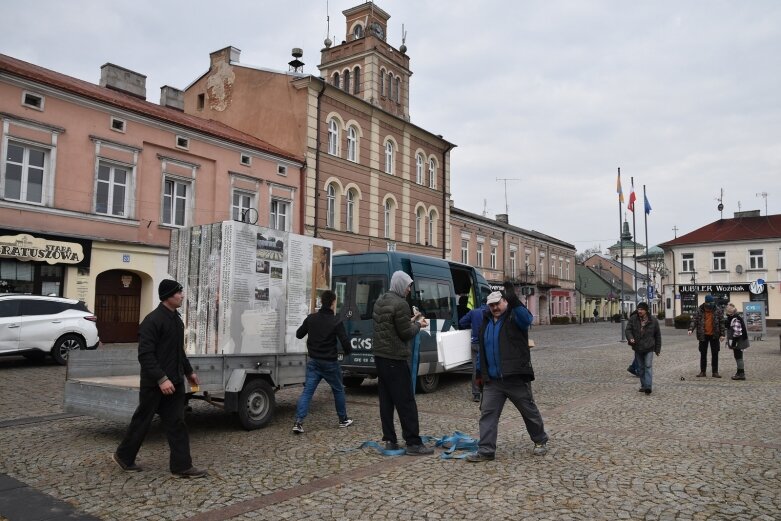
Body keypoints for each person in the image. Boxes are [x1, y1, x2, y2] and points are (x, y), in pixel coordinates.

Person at [113, 279, 207, 478]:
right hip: (154, 384)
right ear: (168, 296)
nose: (182, 296)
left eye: (181, 292)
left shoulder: (177, 320)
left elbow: (178, 352)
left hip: (174, 382)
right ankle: (124, 455)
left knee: (177, 422)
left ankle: (182, 466)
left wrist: (189, 372)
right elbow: (145, 355)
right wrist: (161, 379)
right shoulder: (152, 321)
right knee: (142, 422)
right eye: (179, 292)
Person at [466, 284, 549, 462]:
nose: (495, 307)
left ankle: (540, 440)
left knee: (529, 411)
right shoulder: (486, 321)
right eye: (491, 305)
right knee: (487, 415)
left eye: (498, 303)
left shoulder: (514, 317)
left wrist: (513, 299)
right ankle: (486, 450)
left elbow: (527, 319)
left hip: (515, 378)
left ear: (505, 302)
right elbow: (482, 349)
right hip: (493, 381)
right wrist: (480, 373)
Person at [372, 270, 433, 455]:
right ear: (400, 285)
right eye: (407, 285)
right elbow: (405, 333)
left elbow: (391, 325)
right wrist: (418, 325)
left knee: (387, 401)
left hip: (380, 358)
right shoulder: (401, 303)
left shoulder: (381, 300)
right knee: (406, 401)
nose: (409, 289)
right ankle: (413, 442)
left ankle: (390, 440)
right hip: (395, 359)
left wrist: (410, 320)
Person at [292, 290, 354, 433]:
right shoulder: (336, 320)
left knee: (307, 392)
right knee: (338, 390)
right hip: (330, 363)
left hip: (314, 362)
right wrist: (348, 351)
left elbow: (299, 334)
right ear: (333, 303)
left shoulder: (311, 318)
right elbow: (344, 341)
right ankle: (343, 419)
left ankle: (298, 422)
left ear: (321, 302)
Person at [624, 302, 662, 395]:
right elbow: (628, 330)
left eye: (641, 309)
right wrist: (630, 338)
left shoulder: (653, 320)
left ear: (646, 310)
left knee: (648, 366)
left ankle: (648, 387)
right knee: (641, 368)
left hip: (649, 347)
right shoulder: (633, 319)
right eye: (638, 309)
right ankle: (644, 385)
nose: (639, 311)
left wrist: (657, 349)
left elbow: (658, 335)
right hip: (637, 347)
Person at [458, 297, 488, 402]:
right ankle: (487, 391)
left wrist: (471, 324)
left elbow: (461, 322)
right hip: (486, 344)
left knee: (475, 368)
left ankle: (476, 394)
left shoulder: (473, 312)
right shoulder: (490, 311)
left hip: (474, 344)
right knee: (488, 367)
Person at [688, 294, 725, 377]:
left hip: (714, 335)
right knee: (703, 354)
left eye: (712, 303)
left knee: (715, 354)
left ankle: (715, 372)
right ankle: (703, 371)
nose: (711, 305)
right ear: (706, 303)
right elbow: (694, 320)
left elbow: (721, 322)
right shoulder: (700, 310)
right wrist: (690, 329)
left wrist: (722, 334)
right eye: (709, 303)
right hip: (703, 335)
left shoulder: (717, 310)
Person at [724, 303, 748, 380]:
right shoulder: (733, 318)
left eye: (727, 312)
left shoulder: (735, 319)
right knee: (737, 356)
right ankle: (739, 372)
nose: (726, 314)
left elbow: (737, 332)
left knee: (739, 357)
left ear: (730, 312)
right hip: (738, 340)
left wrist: (734, 342)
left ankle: (741, 374)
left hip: (739, 341)